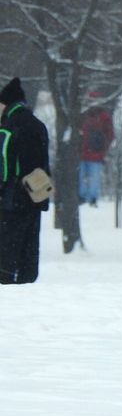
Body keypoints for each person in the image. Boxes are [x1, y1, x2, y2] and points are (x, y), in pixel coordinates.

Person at [0, 77, 51, 285]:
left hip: (11, 199)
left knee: (7, 250)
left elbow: (4, 168)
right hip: (36, 196)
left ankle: (5, 281)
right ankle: (27, 285)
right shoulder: (37, 124)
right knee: (29, 249)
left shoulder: (8, 127)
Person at [78, 91, 114, 207]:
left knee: (88, 177)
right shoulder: (85, 115)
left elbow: (110, 134)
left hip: (91, 154)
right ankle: (86, 197)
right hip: (88, 154)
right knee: (88, 178)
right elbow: (110, 135)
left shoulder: (100, 116)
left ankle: (88, 198)